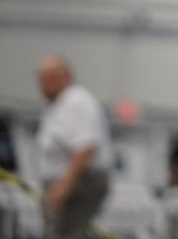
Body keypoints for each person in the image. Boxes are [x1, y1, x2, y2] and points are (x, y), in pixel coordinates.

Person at [35, 56, 113, 239]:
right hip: (68, 180)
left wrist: (64, 185)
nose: (44, 85)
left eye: (50, 78)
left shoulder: (76, 102)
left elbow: (86, 146)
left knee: (65, 234)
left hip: (81, 181)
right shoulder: (58, 106)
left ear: (66, 77)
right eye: (42, 79)